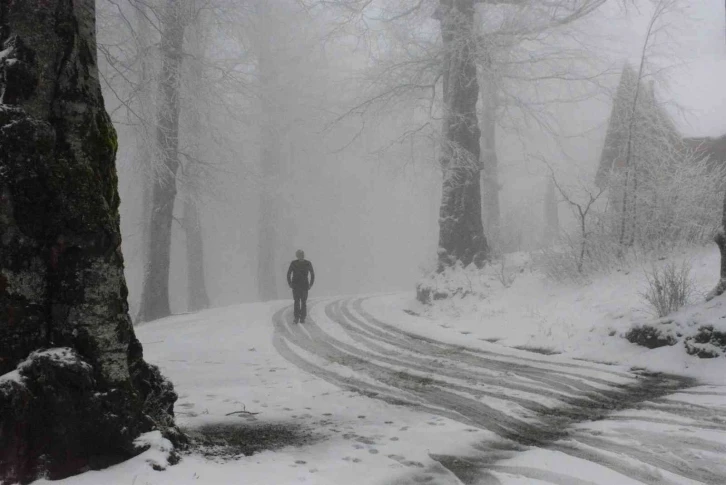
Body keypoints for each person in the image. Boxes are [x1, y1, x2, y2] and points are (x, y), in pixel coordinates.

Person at [287, 250, 314, 323]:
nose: (301, 256)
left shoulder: (295, 263)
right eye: (300, 255)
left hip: (301, 286)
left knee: (301, 302)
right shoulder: (306, 263)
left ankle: (300, 318)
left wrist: (310, 284)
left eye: (301, 255)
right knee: (299, 302)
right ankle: (299, 317)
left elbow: (312, 275)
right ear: (297, 256)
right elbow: (288, 274)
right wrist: (290, 283)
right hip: (298, 286)